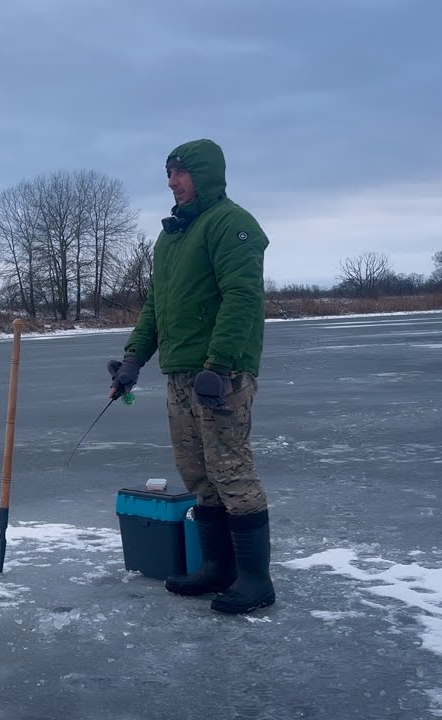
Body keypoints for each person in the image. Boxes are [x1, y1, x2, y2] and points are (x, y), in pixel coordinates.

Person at [108, 139, 274, 614]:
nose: (172, 182)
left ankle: (256, 580)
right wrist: (133, 360)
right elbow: (155, 306)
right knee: (197, 472)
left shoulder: (232, 224)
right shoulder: (171, 236)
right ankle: (217, 568)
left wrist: (219, 366)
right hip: (180, 373)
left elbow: (243, 298)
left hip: (221, 375)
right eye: (169, 173)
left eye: (180, 173)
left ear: (205, 175)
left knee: (230, 470)